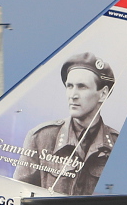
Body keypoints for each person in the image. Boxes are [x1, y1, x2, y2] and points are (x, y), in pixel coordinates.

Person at [14, 52, 118, 196]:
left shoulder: (116, 145)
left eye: (82, 87)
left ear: (103, 94)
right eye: (69, 86)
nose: (73, 95)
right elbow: (18, 194)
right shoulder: (41, 138)